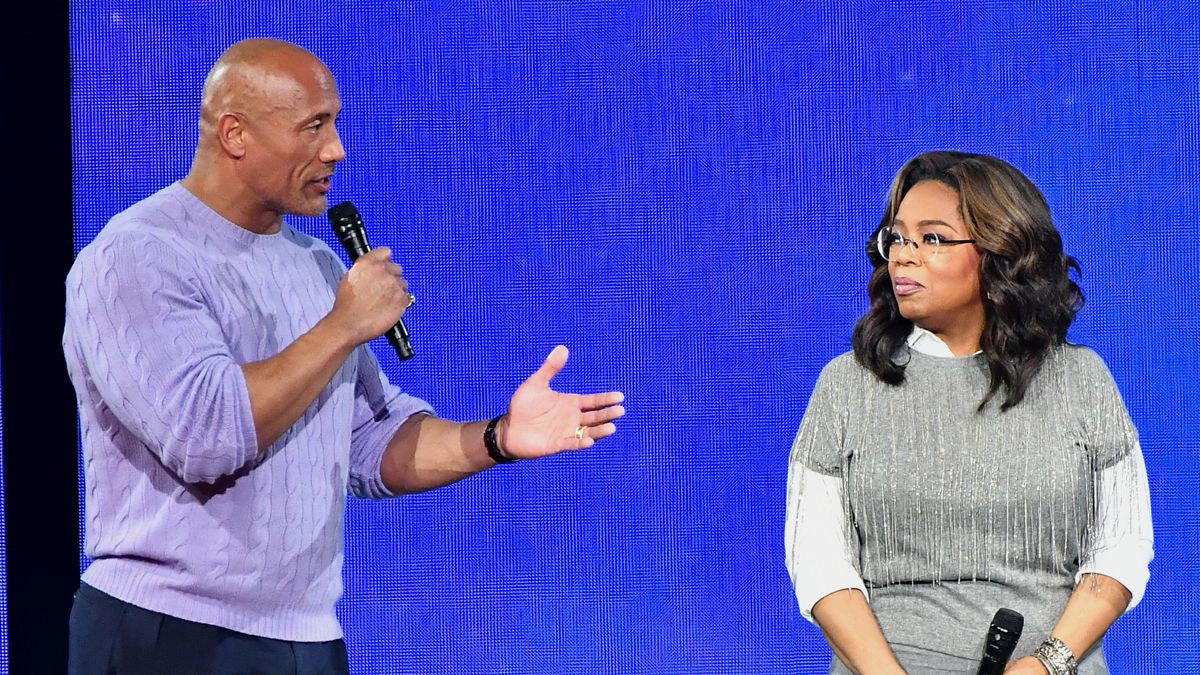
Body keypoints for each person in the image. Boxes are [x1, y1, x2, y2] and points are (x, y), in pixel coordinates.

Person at [63, 38, 625, 675]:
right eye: (313, 126)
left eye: (335, 123)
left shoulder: (318, 266)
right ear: (235, 133)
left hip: (307, 637)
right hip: (171, 635)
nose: (336, 149)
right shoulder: (139, 256)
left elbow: (364, 442)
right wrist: (343, 325)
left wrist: (498, 437)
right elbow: (206, 437)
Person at [784, 151, 1153, 674]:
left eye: (931, 238)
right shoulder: (846, 385)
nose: (903, 256)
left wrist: (1046, 664)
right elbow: (820, 565)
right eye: (897, 237)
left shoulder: (1083, 381)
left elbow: (1120, 552)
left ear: (1000, 252)